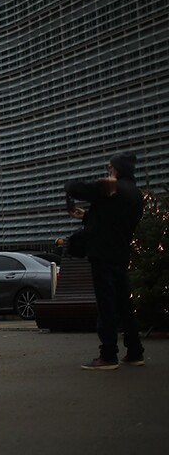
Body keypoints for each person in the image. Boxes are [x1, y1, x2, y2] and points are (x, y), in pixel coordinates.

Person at [65, 151, 145, 370]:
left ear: (118, 169)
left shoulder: (112, 186)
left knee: (106, 305)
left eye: (109, 166)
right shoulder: (136, 194)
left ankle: (108, 355)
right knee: (125, 305)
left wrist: (68, 185)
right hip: (121, 254)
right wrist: (86, 216)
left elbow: (77, 188)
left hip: (102, 255)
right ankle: (135, 351)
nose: (107, 169)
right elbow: (113, 221)